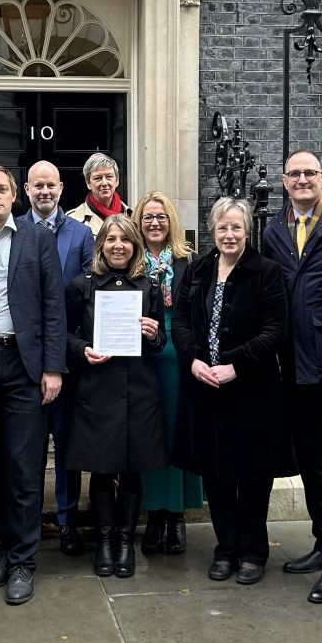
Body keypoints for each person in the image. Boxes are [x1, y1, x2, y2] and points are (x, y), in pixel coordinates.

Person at [171, 198, 296, 586]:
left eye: (236, 228)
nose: (229, 234)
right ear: (212, 230)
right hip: (206, 389)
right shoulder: (198, 270)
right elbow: (180, 322)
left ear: (247, 231)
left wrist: (235, 365)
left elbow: (276, 329)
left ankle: (254, 552)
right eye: (223, 228)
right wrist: (192, 359)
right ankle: (225, 549)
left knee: (253, 476)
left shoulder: (267, 272)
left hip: (252, 391)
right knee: (217, 474)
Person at [0, 164, 66, 605]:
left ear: (13, 195)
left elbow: (53, 306)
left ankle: (24, 560)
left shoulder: (36, 238)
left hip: (26, 365)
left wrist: (53, 368)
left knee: (25, 467)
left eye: (2, 188)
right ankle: (4, 549)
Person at [262, 150, 322, 603]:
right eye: (294, 174)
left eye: (309, 173)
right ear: (284, 181)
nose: (301, 180)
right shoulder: (273, 230)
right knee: (308, 462)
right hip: (289, 364)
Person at [65, 214, 167, 578]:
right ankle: (105, 541)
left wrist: (154, 334)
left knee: (133, 466)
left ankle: (126, 541)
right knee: (103, 466)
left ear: (135, 245)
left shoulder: (148, 287)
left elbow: (160, 343)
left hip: (139, 390)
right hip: (97, 389)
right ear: (101, 245)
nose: (118, 245)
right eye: (111, 239)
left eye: (125, 239)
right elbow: (64, 333)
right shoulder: (82, 285)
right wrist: (82, 349)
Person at [16, 160, 94, 556]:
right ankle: (25, 523)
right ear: (25, 188)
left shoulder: (81, 234)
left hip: (69, 357)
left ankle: (66, 521)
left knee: (67, 444)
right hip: (25, 358)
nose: (44, 191)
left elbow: (86, 295)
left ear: (61, 188)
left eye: (50, 185)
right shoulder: (14, 230)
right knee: (26, 446)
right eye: (37, 185)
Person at [133, 191, 203, 556]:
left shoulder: (187, 260)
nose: (155, 222)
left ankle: (175, 516)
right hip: (142, 354)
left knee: (177, 431)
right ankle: (153, 515)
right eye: (147, 217)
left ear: (171, 220)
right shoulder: (130, 259)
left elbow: (200, 311)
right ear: (138, 221)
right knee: (150, 434)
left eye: (161, 216)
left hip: (180, 352)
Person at [67, 152, 131, 236]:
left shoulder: (132, 217)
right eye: (98, 178)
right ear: (88, 183)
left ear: (117, 181)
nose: (104, 183)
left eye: (109, 177)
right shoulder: (72, 220)